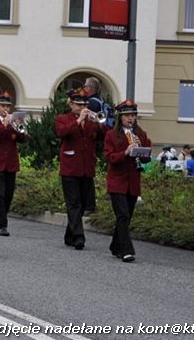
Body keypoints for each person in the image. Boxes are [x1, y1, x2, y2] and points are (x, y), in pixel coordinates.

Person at [55, 88, 106, 250]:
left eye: (85, 104)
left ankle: (70, 235)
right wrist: (78, 120)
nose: (83, 107)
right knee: (74, 203)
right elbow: (61, 133)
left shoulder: (91, 121)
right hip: (70, 168)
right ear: (71, 104)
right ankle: (79, 237)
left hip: (87, 167)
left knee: (83, 204)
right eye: (79, 105)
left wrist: (100, 123)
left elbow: (104, 135)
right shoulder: (62, 119)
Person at [104, 101, 151, 263]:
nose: (130, 118)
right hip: (117, 181)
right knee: (122, 215)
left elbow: (146, 159)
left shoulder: (141, 134)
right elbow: (109, 157)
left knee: (126, 217)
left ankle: (115, 246)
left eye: (133, 115)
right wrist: (125, 152)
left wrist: (140, 148)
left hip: (133, 182)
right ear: (120, 117)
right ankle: (126, 251)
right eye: (127, 116)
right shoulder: (111, 135)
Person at [0, 91, 26, 237]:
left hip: (11, 163)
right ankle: (2, 225)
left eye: (8, 106)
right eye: (2, 106)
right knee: (0, 194)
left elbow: (22, 139)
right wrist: (4, 124)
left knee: (8, 195)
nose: (5, 109)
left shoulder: (13, 120)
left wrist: (19, 125)